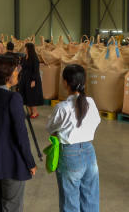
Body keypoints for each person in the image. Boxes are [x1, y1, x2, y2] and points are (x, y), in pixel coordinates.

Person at [0, 55, 37, 212]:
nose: (18, 72)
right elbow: (21, 135)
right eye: (16, 69)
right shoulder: (13, 98)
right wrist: (30, 162)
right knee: (12, 206)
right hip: (12, 163)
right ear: (8, 74)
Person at [46, 64, 101, 212]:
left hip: (70, 155)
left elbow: (50, 128)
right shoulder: (91, 102)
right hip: (90, 152)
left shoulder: (62, 107)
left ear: (65, 82)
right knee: (90, 198)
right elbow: (96, 121)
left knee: (70, 202)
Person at [19, 43, 44, 118]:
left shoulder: (34, 58)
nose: (23, 49)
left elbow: (36, 70)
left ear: (28, 49)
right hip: (24, 79)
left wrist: (33, 80)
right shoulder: (24, 57)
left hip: (32, 79)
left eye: (25, 48)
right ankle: (30, 112)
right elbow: (21, 66)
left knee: (32, 95)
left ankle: (35, 112)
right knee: (26, 95)